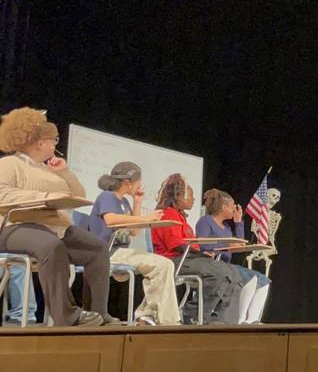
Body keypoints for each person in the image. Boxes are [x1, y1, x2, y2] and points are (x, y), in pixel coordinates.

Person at [0, 107, 116, 326]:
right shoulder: (9, 164)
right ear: (40, 143)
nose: (56, 145)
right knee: (51, 246)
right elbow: (2, 195)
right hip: (15, 226)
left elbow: (78, 195)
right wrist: (45, 197)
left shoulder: (50, 169)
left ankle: (98, 314)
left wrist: (64, 172)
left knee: (98, 249)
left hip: (54, 228)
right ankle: (67, 316)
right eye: (53, 140)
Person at [89, 162, 181, 325]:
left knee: (164, 265)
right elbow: (110, 220)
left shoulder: (124, 202)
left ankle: (151, 315)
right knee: (163, 265)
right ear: (128, 182)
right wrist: (146, 218)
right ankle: (161, 319)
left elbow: (134, 231)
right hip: (107, 252)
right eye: (139, 181)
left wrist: (137, 202)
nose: (140, 185)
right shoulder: (107, 196)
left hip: (121, 252)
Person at [151, 174, 242, 324]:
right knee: (219, 272)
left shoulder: (180, 217)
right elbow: (177, 245)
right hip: (173, 260)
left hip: (188, 258)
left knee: (235, 275)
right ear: (179, 196)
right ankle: (192, 313)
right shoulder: (167, 214)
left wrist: (199, 252)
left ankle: (220, 319)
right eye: (191, 196)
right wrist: (200, 252)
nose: (193, 200)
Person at [196, 189, 270, 324]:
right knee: (251, 279)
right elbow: (203, 245)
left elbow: (239, 245)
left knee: (264, 281)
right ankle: (241, 320)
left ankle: (252, 319)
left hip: (226, 264)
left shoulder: (226, 227)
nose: (235, 209)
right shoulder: (205, 221)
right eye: (232, 206)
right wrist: (227, 244)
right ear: (224, 207)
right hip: (213, 265)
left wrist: (238, 222)